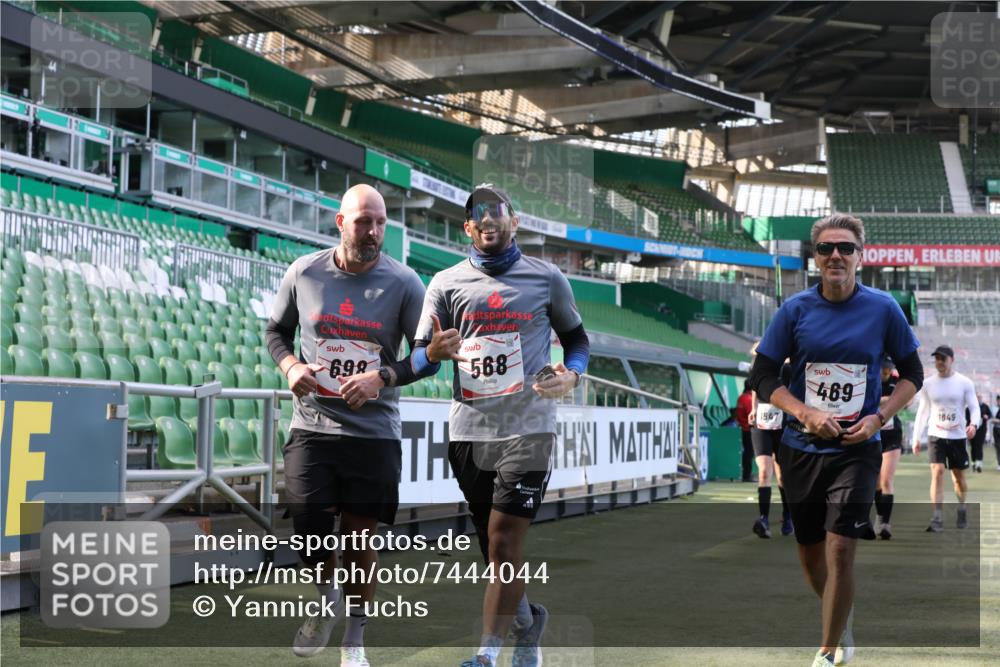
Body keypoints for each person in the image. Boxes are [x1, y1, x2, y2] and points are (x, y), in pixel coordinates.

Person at [266, 184, 456, 666]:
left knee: (358, 538)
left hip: (373, 434)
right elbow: (276, 332)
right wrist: (291, 366)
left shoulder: (406, 283)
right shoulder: (304, 272)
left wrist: (382, 377)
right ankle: (327, 598)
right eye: (363, 222)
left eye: (380, 223)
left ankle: (354, 640)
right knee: (308, 528)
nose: (373, 232)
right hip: (313, 425)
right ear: (340, 223)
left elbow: (427, 358)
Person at [415, 184, 590, 667]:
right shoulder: (445, 283)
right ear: (468, 228)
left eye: (498, 211)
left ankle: (486, 654)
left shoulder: (547, 278)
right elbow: (419, 357)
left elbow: (577, 340)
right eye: (479, 214)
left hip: (529, 428)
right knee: (493, 551)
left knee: (505, 539)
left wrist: (572, 375)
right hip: (469, 432)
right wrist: (433, 352)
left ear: (515, 221)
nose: (488, 219)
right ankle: (528, 623)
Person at [748, 214, 922, 667]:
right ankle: (840, 617)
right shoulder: (795, 310)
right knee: (810, 551)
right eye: (826, 248)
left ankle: (827, 651)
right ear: (816, 257)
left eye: (846, 248)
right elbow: (762, 375)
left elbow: (913, 374)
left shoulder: (884, 308)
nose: (836, 256)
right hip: (800, 448)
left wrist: (879, 417)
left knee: (841, 546)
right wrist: (805, 411)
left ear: (861, 256)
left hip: (857, 450)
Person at [911, 345, 980, 532]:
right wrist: (916, 437)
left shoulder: (964, 383)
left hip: (957, 436)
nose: (939, 362)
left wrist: (974, 424)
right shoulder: (928, 383)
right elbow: (923, 411)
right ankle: (937, 517)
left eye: (943, 358)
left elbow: (974, 407)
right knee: (937, 471)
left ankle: (962, 508)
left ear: (952, 360)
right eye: (937, 358)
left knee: (958, 477)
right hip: (936, 435)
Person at [749, 346, 793, 538]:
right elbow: (755, 387)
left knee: (782, 477)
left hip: (782, 425)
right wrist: (753, 408)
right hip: (761, 423)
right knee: (764, 472)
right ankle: (763, 519)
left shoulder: (789, 368)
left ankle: (788, 516)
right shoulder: (758, 365)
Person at [873, 357, 904, 539]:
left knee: (886, 479)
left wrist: (889, 401)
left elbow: (906, 399)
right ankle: (879, 516)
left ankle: (886, 524)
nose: (885, 371)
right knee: (876, 482)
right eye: (883, 368)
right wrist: (885, 400)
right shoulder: (869, 378)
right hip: (872, 434)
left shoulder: (896, 380)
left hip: (892, 433)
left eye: (888, 368)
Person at [735, 381, 754, 482]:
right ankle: (747, 475)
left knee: (747, 452)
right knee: (749, 453)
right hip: (748, 430)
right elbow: (752, 415)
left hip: (742, 429)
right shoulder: (749, 399)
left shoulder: (741, 397)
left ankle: (746, 474)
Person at [968, 393, 991, 473]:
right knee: (973, 447)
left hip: (981, 430)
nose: (978, 398)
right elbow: (966, 417)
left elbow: (989, 415)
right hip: (972, 429)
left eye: (980, 397)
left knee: (979, 446)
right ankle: (973, 464)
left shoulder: (985, 406)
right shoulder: (970, 406)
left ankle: (979, 465)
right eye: (977, 397)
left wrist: (987, 416)